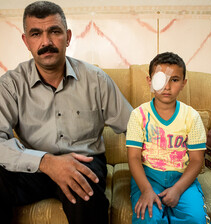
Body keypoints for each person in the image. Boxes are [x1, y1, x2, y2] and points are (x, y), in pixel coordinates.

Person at [0, 1, 132, 224]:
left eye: (54, 31)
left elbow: (135, 126)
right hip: (32, 165)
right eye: (36, 34)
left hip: (84, 161)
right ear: (26, 41)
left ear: (68, 36)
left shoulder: (96, 80)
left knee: (84, 189)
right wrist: (46, 162)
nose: (46, 42)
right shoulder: (11, 85)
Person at [126, 52, 210, 224]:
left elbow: (196, 160)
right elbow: (133, 157)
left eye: (174, 79)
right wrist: (146, 189)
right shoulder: (138, 115)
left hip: (182, 179)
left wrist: (178, 189)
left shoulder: (191, 117)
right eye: (160, 79)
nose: (166, 86)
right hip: (148, 178)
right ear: (150, 81)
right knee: (146, 218)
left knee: (196, 218)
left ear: (183, 83)